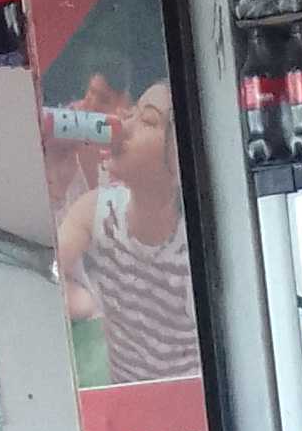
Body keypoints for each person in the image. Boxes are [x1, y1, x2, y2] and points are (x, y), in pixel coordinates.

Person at [58, 79, 200, 386]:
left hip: (192, 399)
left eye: (147, 120)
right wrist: (57, 176)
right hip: (125, 400)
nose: (124, 125)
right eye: (132, 112)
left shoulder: (195, 241)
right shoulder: (95, 211)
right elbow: (41, 274)